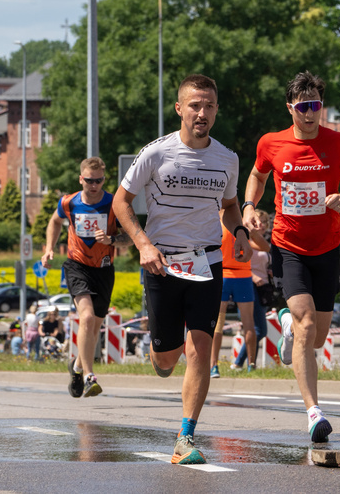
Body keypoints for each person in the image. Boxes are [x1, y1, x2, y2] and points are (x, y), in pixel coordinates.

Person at [113, 74, 251, 465]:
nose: (201, 113)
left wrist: (238, 230)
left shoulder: (227, 158)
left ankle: (185, 438)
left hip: (207, 260)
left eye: (208, 105)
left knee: (200, 348)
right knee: (166, 360)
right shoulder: (156, 154)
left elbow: (228, 205)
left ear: (216, 110)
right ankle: (158, 354)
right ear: (179, 109)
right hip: (162, 263)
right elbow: (121, 203)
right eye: (194, 105)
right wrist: (143, 245)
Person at [242, 71, 340, 443]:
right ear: (290, 108)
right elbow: (257, 177)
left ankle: (288, 324)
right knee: (307, 324)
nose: (310, 114)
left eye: (316, 106)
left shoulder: (339, 143)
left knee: (318, 336)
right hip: (288, 246)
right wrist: (248, 207)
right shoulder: (272, 143)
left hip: (327, 247)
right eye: (304, 107)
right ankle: (313, 411)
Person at [42, 156, 132, 399]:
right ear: (81, 179)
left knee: (95, 327)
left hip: (104, 268)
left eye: (99, 181)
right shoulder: (69, 202)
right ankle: (90, 376)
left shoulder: (114, 203)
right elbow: (54, 221)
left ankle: (77, 367)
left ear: (104, 180)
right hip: (77, 265)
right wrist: (50, 247)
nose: (94, 186)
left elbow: (130, 236)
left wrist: (111, 240)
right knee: (88, 317)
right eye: (90, 181)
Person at [210, 221, 270, 378]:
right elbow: (265, 247)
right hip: (242, 277)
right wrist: (253, 232)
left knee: (218, 324)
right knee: (249, 324)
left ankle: (214, 366)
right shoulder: (242, 225)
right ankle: (251, 365)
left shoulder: (217, 223)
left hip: (224, 275)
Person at [231, 209, 272, 371]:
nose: (261, 225)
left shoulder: (264, 243)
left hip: (263, 287)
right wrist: (254, 277)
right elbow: (239, 261)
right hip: (249, 284)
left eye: (264, 222)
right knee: (259, 329)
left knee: (258, 329)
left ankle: (245, 365)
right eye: (257, 222)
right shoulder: (244, 240)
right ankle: (241, 363)